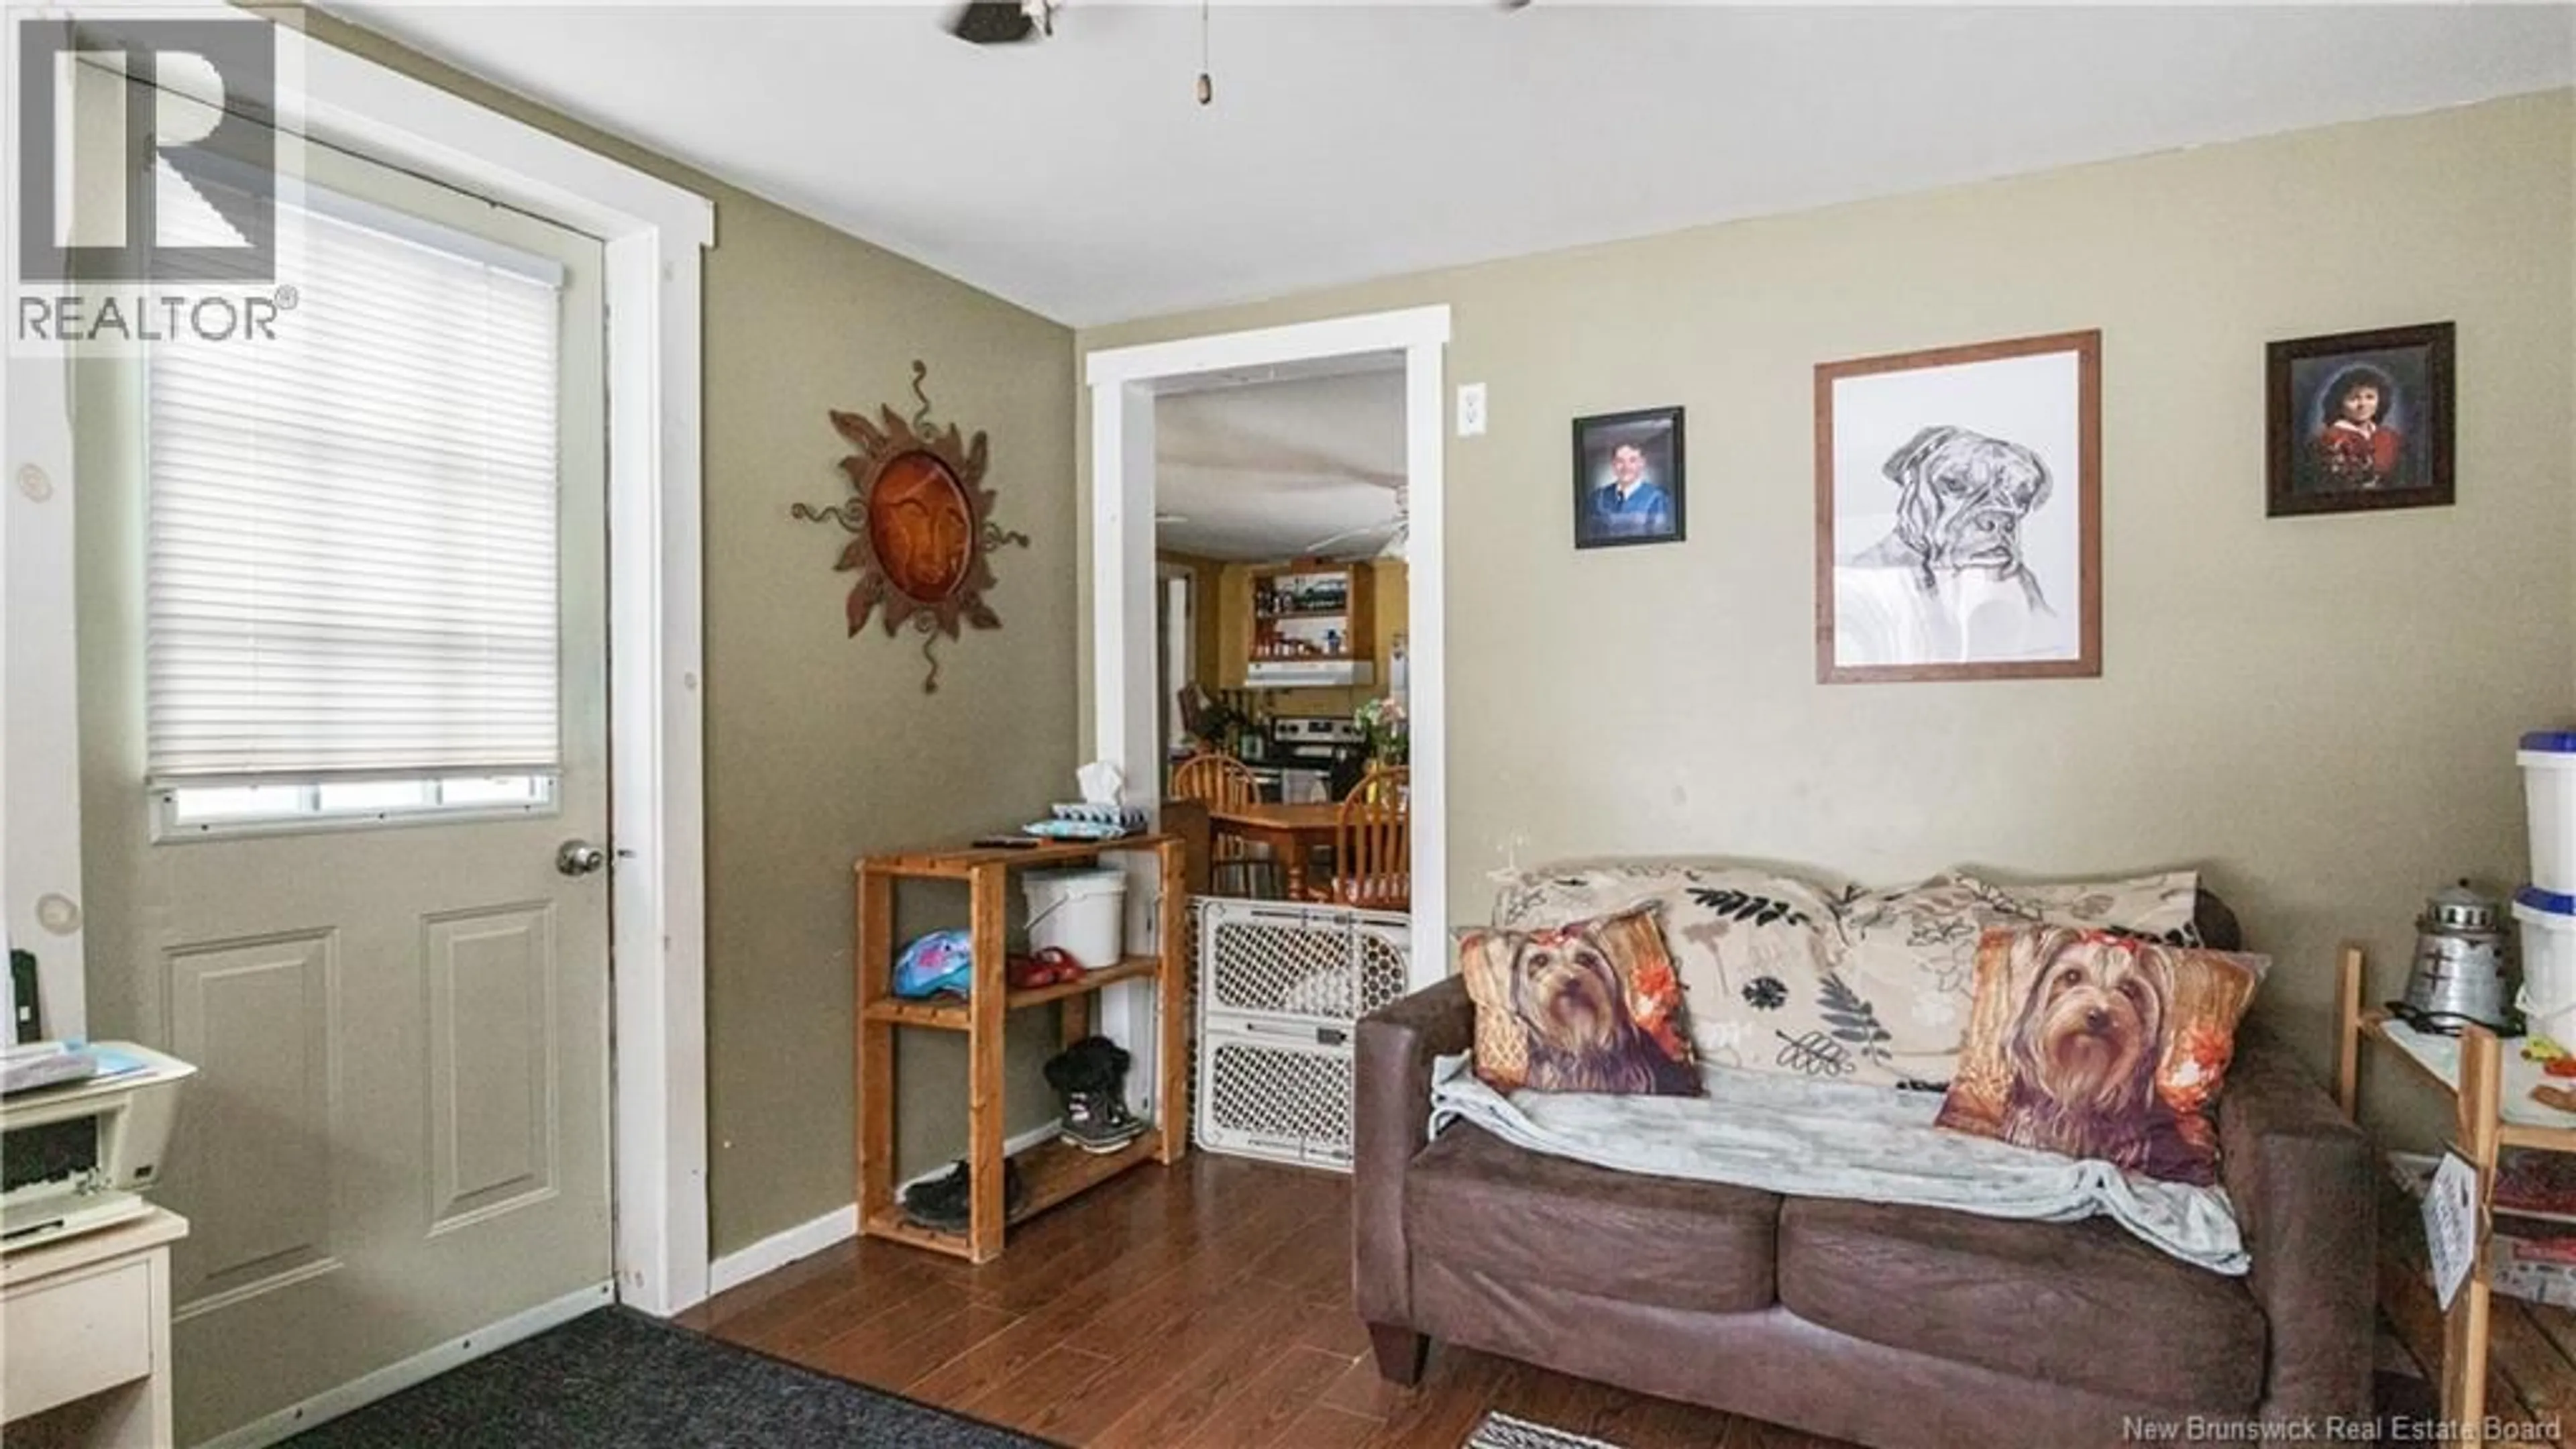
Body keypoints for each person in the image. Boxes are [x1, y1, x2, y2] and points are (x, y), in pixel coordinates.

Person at [2310, 367, 2406, 490]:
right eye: (2354, 398)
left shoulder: (2391, 437)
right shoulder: (2328, 439)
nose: (2363, 405)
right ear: (2340, 403)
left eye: (2370, 397)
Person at [1588, 441, 1674, 540]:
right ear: (1613, 465)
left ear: (1642, 463)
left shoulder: (1658, 498)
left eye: (1632, 461)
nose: (1626, 467)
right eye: (1620, 461)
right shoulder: (1598, 497)